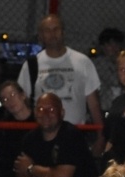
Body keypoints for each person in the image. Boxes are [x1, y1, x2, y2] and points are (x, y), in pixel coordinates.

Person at [16, 14, 105, 156]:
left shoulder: (82, 62)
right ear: (41, 35)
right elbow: (23, 103)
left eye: (56, 29)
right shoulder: (31, 65)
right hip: (43, 135)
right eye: (47, 30)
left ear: (63, 32)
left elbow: (93, 104)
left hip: (75, 134)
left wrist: (101, 136)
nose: (52, 34)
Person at [91, 27, 124, 113]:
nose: (114, 48)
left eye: (116, 44)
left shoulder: (122, 62)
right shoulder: (98, 63)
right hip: (104, 106)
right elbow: (115, 80)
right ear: (102, 46)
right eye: (110, 45)